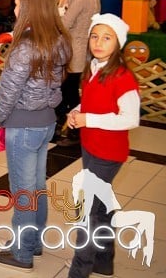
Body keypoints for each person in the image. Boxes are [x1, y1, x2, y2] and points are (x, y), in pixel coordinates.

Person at [0, 0, 72, 272]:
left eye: (17, 2)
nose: (14, 7)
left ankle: (21, 253)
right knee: (36, 186)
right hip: (46, 121)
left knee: (23, 190)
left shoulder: (25, 46)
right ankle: (33, 241)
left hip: (23, 125)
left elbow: (8, 92)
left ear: (29, 6)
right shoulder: (57, 40)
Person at [65, 14, 140, 278]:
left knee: (88, 212)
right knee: (101, 208)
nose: (98, 42)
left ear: (118, 43)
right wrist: (76, 113)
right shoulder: (93, 68)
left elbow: (130, 118)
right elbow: (90, 104)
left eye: (106, 37)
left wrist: (90, 119)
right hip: (91, 146)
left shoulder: (122, 77)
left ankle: (79, 271)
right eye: (94, 36)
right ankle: (104, 261)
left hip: (109, 153)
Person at [56, 0, 100, 147]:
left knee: (68, 92)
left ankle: (73, 132)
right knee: (70, 91)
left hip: (74, 50)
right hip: (81, 50)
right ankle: (71, 129)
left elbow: (65, 24)